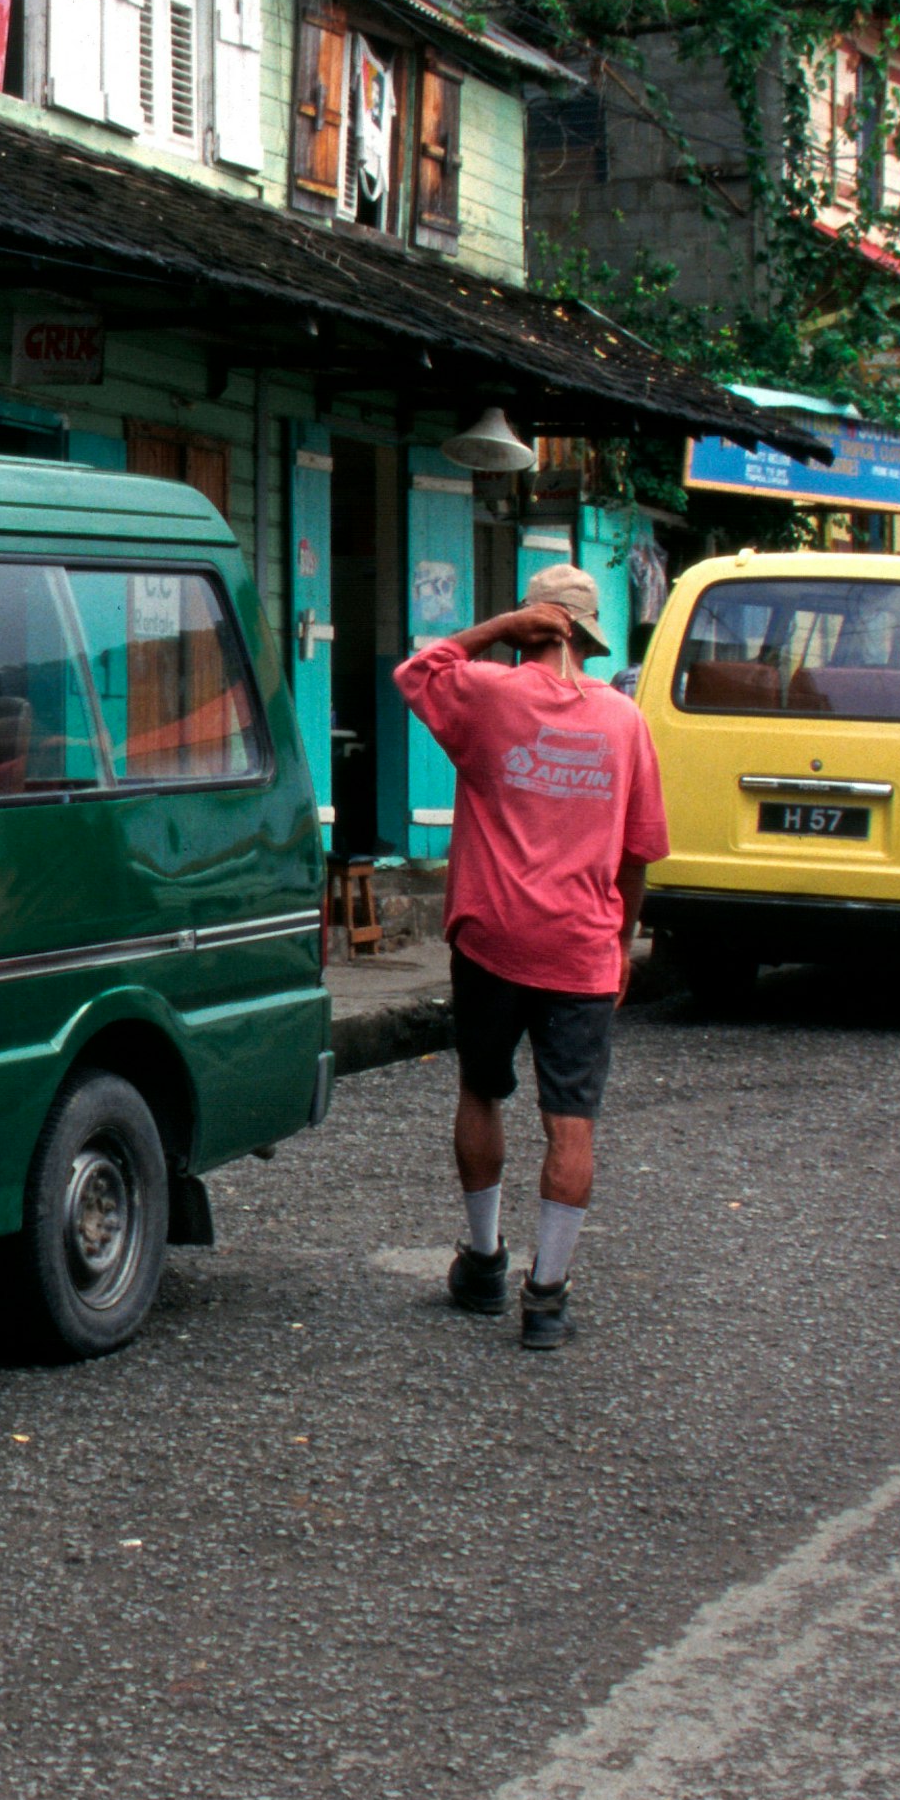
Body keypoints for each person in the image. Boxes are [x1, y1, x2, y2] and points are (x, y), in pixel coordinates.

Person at [393, 564, 668, 1353]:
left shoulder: (487, 695)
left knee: (482, 1091)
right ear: (584, 637)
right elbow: (639, 854)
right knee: (570, 1122)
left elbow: (417, 671)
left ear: (531, 630)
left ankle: (482, 1265)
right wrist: (620, 945)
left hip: (492, 938)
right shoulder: (623, 722)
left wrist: (492, 631)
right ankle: (546, 1300)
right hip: (581, 947)